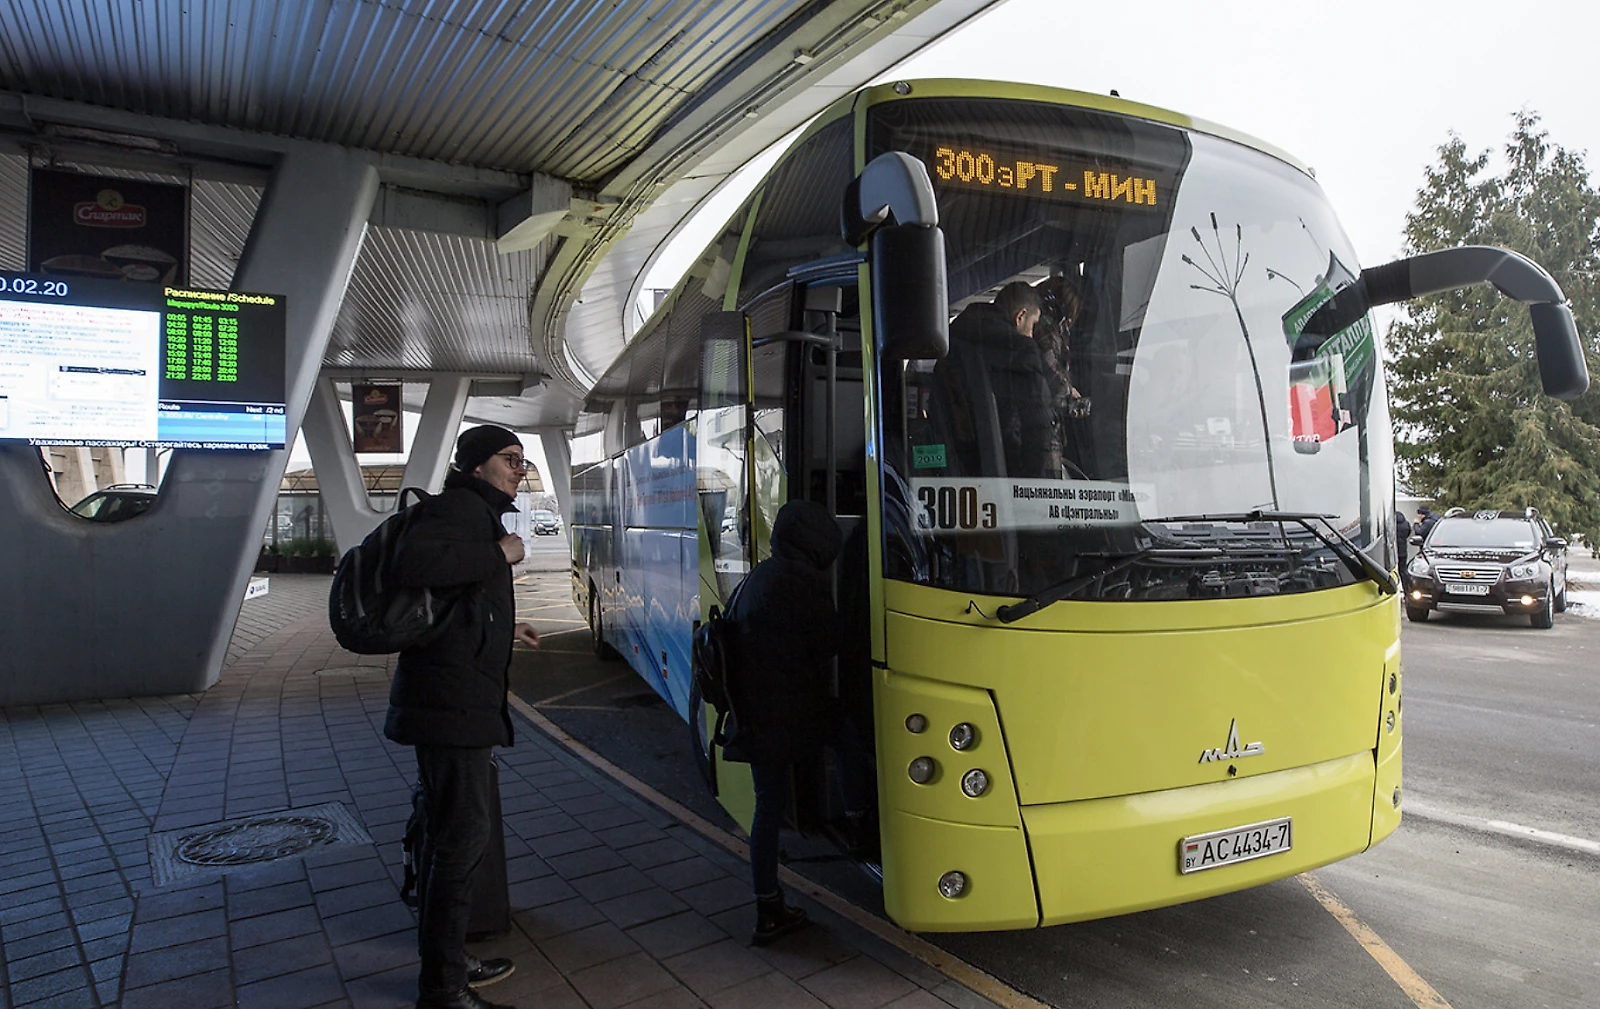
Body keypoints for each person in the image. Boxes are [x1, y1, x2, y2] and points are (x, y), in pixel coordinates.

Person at [385, 424, 541, 1009]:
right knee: (460, 839)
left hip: (456, 700)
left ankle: (448, 965)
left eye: (523, 461)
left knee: (449, 835)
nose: (519, 469)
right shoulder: (457, 509)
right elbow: (416, 564)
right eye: (509, 458)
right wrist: (501, 552)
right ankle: (444, 989)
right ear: (476, 465)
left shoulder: (473, 512)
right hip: (450, 707)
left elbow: (457, 599)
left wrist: (505, 630)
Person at [721, 499, 841, 946]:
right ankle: (768, 908)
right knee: (844, 733)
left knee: (767, 805)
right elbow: (828, 644)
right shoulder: (801, 582)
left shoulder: (762, 573)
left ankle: (768, 901)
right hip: (780, 717)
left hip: (755, 713)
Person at [935, 281, 1059, 479]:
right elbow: (1038, 426)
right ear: (1020, 316)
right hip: (1006, 470)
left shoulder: (956, 335)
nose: (1031, 335)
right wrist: (1033, 484)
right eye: (1032, 326)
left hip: (957, 466)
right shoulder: (1020, 349)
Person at [1395, 509, 1413, 591]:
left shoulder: (1393, 525)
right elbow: (1408, 533)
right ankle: (1408, 586)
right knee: (1403, 569)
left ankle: (1398, 586)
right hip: (1403, 551)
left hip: (1395, 551)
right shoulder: (1406, 524)